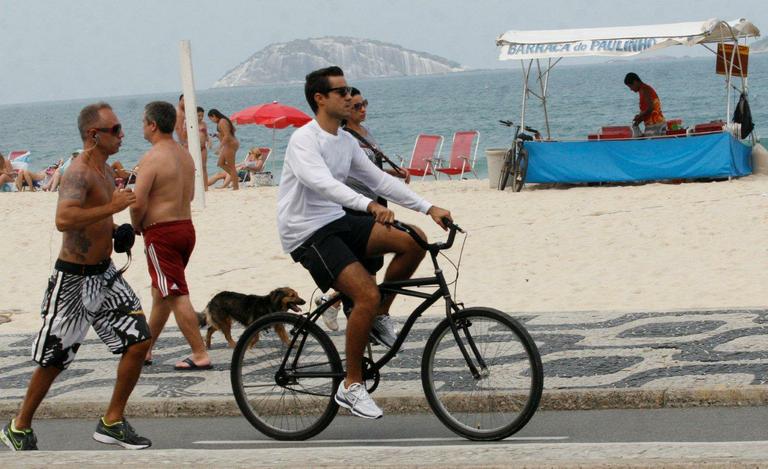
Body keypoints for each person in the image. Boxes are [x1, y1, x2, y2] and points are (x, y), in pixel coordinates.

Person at [277, 66, 451, 419]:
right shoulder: (304, 140)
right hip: (306, 232)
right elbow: (324, 184)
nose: (349, 97)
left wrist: (428, 207)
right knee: (365, 294)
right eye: (341, 92)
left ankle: (379, 316)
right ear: (320, 98)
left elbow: (378, 181)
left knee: (414, 239)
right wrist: (368, 205)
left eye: (349, 91)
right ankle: (351, 386)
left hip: (336, 220)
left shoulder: (345, 140)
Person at [0, 102, 152, 451]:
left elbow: (94, 215)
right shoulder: (78, 171)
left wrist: (115, 230)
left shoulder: (105, 169)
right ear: (92, 135)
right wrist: (113, 207)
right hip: (73, 280)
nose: (122, 134)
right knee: (55, 358)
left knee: (140, 340)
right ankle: (19, 427)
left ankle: (112, 421)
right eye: (114, 130)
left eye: (120, 127)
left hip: (105, 275)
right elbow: (64, 219)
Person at [320, 88, 412, 335]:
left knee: (370, 265)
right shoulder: (344, 136)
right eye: (358, 106)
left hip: (376, 201)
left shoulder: (365, 133)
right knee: (365, 267)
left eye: (365, 104)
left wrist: (394, 173)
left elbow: (372, 169)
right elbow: (349, 173)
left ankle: (338, 304)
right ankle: (370, 317)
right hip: (357, 204)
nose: (363, 109)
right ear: (347, 111)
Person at [130, 101, 211, 371]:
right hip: (186, 228)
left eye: (144, 122)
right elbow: (188, 195)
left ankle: (200, 353)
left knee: (175, 292)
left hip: (161, 232)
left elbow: (137, 202)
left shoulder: (151, 158)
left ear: (153, 125)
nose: (142, 126)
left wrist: (136, 225)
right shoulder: (185, 155)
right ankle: (147, 347)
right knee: (161, 292)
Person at [624, 72, 666, 137]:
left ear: (635, 82)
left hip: (655, 124)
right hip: (655, 124)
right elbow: (647, 111)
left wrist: (639, 116)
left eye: (630, 86)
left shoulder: (645, 89)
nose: (631, 89)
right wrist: (638, 121)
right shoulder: (642, 90)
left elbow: (650, 108)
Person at [208, 108, 239, 191]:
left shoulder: (222, 121)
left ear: (214, 116)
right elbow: (230, 131)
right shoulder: (222, 121)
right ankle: (235, 177)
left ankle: (236, 186)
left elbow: (227, 135)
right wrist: (217, 135)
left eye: (211, 119)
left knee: (231, 166)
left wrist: (219, 148)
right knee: (220, 163)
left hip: (230, 144)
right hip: (229, 144)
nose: (212, 121)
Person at [197, 106, 209, 190]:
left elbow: (206, 135)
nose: (201, 118)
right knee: (194, 168)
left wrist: (209, 141)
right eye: (199, 116)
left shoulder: (204, 124)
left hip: (203, 147)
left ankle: (206, 187)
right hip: (194, 149)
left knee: (204, 167)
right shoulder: (189, 123)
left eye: (202, 116)